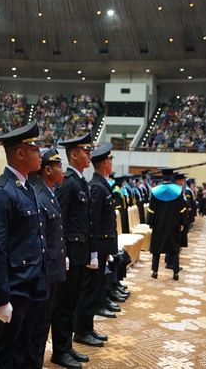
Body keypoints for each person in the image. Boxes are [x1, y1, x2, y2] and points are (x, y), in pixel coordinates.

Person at [0, 121, 46, 369]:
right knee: (3, 354)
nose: (40, 153)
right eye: (34, 148)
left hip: (32, 284)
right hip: (15, 289)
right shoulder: (1, 191)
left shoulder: (27, 187)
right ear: (20, 153)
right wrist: (0, 300)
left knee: (25, 349)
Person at [51, 133, 97, 367]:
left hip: (80, 254)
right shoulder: (68, 183)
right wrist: (64, 254)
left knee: (71, 304)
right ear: (73, 155)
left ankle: (67, 346)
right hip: (69, 255)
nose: (89, 154)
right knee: (63, 306)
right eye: (85, 151)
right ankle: (59, 350)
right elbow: (59, 220)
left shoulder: (80, 182)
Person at [27, 148, 68, 368]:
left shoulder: (49, 192)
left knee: (44, 322)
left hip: (54, 267)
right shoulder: (39, 193)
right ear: (48, 170)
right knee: (39, 325)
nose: (63, 170)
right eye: (59, 166)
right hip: (46, 270)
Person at [85, 143, 119, 335]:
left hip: (104, 246)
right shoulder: (97, 187)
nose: (111, 162)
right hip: (98, 246)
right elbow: (94, 222)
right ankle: (85, 329)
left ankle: (89, 327)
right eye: (110, 159)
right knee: (91, 290)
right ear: (105, 163)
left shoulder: (102, 184)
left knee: (97, 287)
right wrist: (95, 251)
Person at [146, 169, 186, 281]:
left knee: (157, 248)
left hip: (159, 224)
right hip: (173, 224)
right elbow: (182, 209)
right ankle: (176, 272)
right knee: (174, 248)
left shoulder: (155, 191)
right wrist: (182, 222)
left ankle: (155, 271)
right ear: (172, 177)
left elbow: (151, 209)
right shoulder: (178, 191)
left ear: (162, 177)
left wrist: (151, 223)